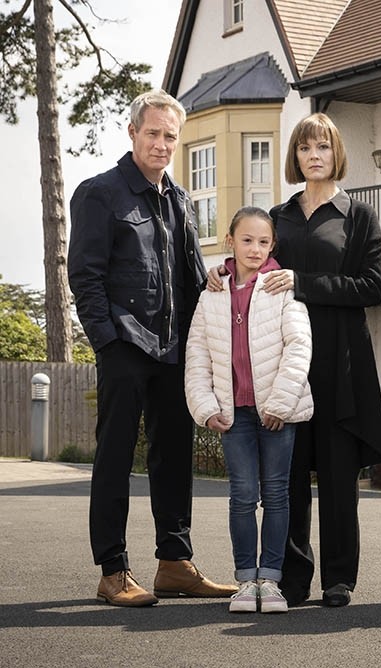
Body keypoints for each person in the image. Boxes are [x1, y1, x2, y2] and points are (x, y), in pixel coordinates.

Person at [210, 112, 381, 608]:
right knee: (285, 477)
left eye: (324, 147)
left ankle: (337, 578)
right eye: (306, 148)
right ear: (296, 156)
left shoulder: (360, 216)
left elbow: (373, 287)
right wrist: (220, 274)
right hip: (283, 363)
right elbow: (252, 258)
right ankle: (290, 577)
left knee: (336, 475)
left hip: (340, 363)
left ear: (336, 155)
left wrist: (303, 283)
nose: (315, 155)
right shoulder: (280, 218)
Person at [68, 89, 236, 606]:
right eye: (153, 133)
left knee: (174, 456)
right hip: (124, 343)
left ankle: (174, 562)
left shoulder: (181, 200)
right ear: (133, 133)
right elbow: (86, 277)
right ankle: (113, 570)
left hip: (174, 348)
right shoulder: (99, 193)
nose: (162, 144)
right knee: (115, 456)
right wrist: (106, 342)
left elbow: (191, 276)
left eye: (170, 136)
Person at [185, 207, 314, 614]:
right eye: (247, 240)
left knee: (276, 494)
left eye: (263, 242)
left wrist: (279, 403)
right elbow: (197, 354)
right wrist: (205, 408)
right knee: (242, 495)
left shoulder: (281, 288)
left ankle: (271, 580)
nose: (255, 249)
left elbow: (299, 348)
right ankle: (245, 580)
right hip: (233, 414)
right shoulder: (212, 294)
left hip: (277, 412)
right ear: (230, 242)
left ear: (272, 245)